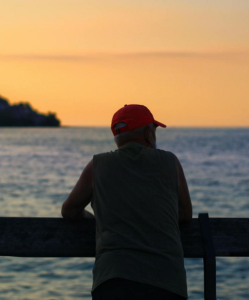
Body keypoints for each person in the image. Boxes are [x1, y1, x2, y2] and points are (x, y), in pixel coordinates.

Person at [61, 104, 193, 300]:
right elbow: (184, 214)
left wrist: (94, 219)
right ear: (149, 134)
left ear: (117, 137)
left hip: (113, 281)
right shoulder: (170, 162)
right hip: (166, 281)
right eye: (155, 130)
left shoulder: (98, 166)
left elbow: (69, 210)